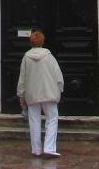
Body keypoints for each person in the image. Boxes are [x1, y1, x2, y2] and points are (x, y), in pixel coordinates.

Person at [17, 29, 64, 158]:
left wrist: (21, 95)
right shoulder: (49, 57)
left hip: (32, 94)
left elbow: (22, 78)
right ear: (42, 41)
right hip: (49, 92)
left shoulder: (26, 57)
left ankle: (36, 149)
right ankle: (49, 147)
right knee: (52, 118)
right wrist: (60, 89)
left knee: (34, 121)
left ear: (31, 42)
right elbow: (58, 76)